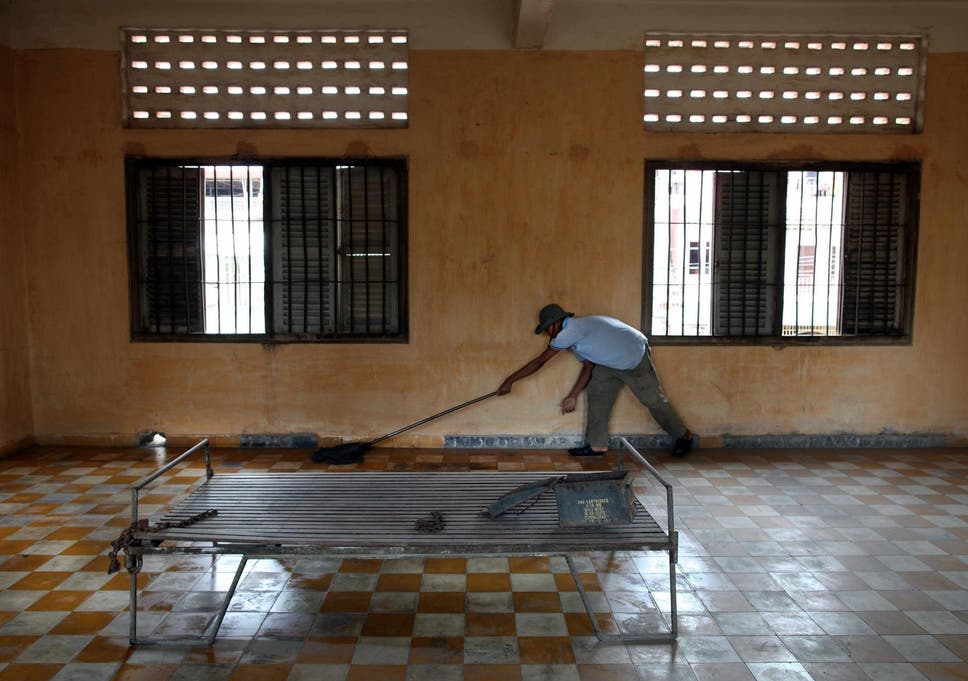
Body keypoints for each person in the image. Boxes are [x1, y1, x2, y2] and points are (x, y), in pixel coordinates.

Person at [498, 303, 694, 457]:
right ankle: (596, 446)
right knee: (597, 395)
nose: (546, 334)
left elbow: (540, 362)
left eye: (546, 329)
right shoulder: (576, 340)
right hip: (609, 363)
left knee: (652, 400)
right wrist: (573, 396)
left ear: (556, 322)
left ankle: (684, 436)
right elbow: (588, 367)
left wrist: (509, 380)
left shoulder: (570, 331)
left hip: (633, 356)